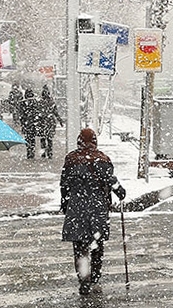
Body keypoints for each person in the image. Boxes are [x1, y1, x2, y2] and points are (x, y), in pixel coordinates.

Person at [60, 129, 126, 295]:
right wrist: (120, 192)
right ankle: (95, 279)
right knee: (97, 246)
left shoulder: (71, 159)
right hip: (97, 207)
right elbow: (111, 180)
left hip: (77, 207)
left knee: (80, 247)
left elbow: (64, 184)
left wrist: (66, 203)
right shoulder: (102, 159)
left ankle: (84, 281)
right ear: (95, 141)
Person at [38, 84, 64, 159]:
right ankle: (50, 153)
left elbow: (37, 113)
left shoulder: (40, 103)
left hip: (42, 123)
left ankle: (43, 153)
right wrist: (60, 121)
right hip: (50, 123)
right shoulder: (51, 102)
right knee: (49, 139)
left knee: (43, 139)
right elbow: (56, 113)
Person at [20, 87, 40, 159]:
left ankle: (30, 151)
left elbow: (21, 114)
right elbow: (37, 113)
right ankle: (31, 151)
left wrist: (23, 123)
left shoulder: (23, 103)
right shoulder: (34, 103)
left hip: (28, 124)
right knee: (31, 139)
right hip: (31, 124)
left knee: (28, 138)